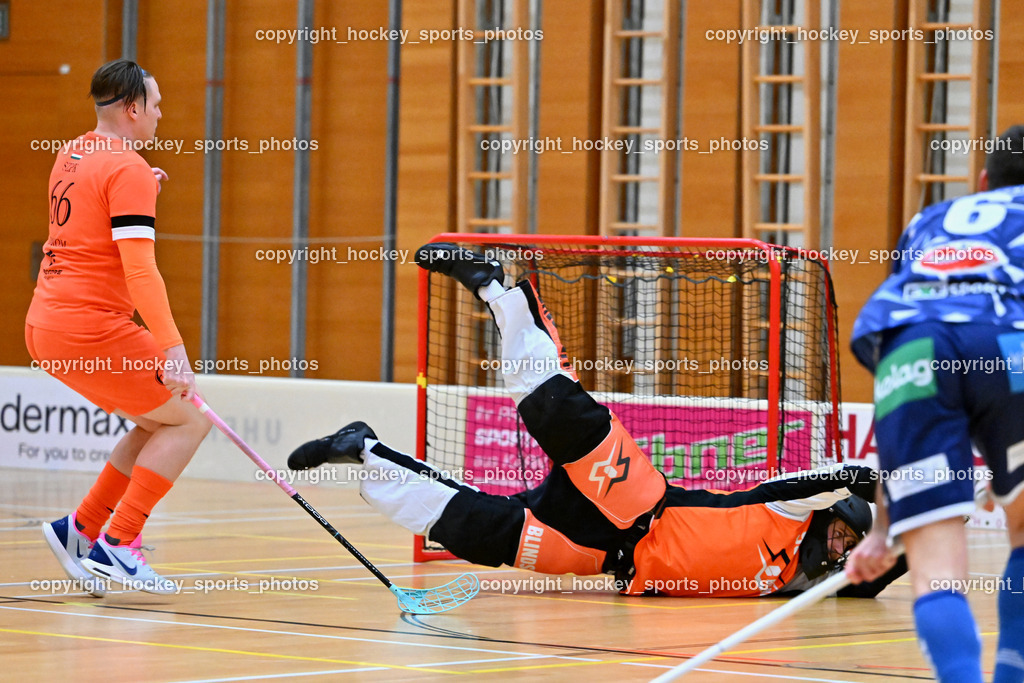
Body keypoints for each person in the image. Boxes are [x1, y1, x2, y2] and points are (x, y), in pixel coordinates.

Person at [288, 243, 906, 598]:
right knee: (551, 407)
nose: (843, 547)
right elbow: (849, 473)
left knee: (476, 531)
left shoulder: (798, 584)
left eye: (848, 549)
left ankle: (363, 450)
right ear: (838, 516)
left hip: (603, 555)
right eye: (847, 535)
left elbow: (876, 582)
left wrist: (886, 556)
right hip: (639, 499)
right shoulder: (790, 510)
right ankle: (501, 292)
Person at [845, 126, 1024, 682]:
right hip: (1008, 342)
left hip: (911, 350)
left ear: (982, 182)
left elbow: (925, 357)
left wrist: (882, 532)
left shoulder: (930, 221)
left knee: (937, 574)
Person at [27, 59, 210, 596]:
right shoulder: (125, 168)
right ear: (132, 109)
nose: (160, 114)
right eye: (154, 105)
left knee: (158, 423)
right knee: (189, 423)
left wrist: (139, 186)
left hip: (47, 324)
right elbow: (140, 269)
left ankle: (79, 530)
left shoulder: (75, 151)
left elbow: (90, 208)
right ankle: (118, 545)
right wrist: (173, 348)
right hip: (90, 328)